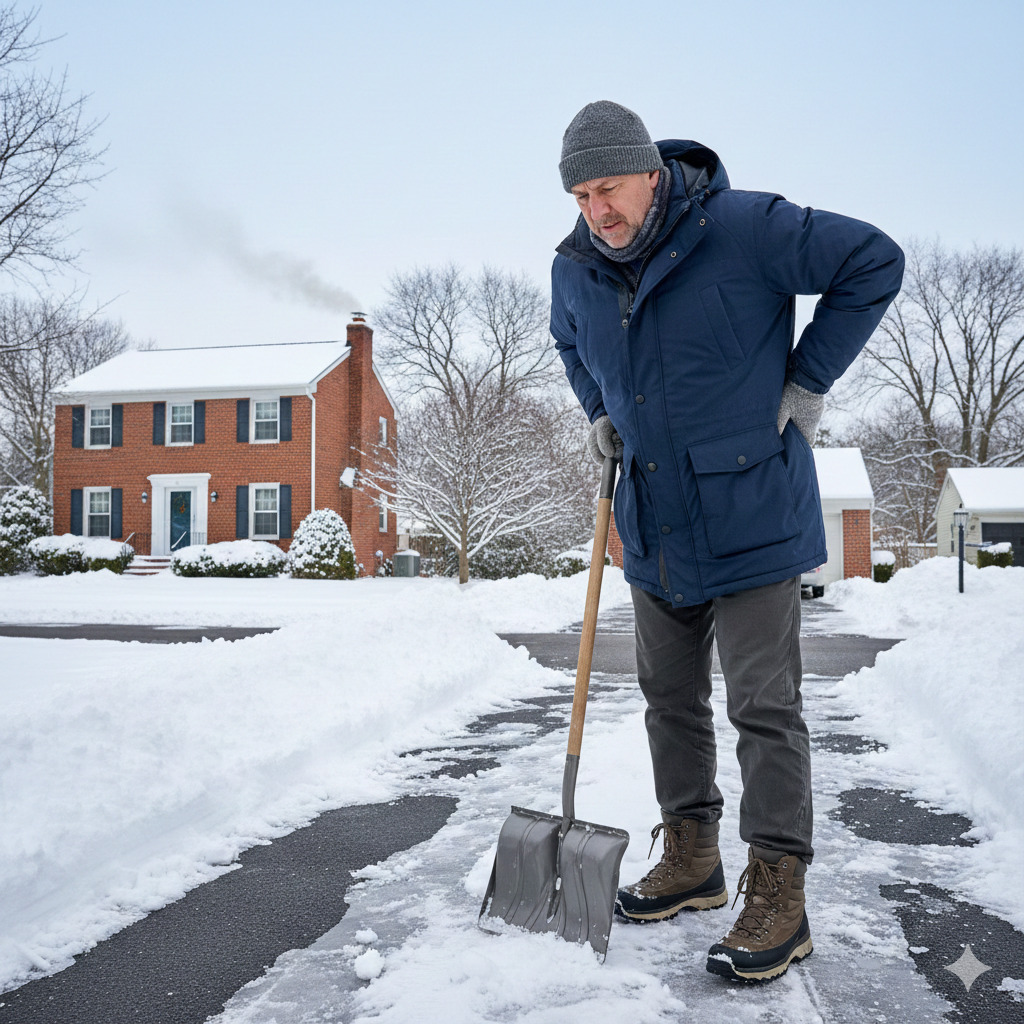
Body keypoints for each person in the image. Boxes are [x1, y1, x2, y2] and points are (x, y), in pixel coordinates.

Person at [550, 100, 904, 982]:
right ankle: (693, 858)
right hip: (654, 520)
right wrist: (598, 411)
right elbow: (568, 342)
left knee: (762, 707)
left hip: (752, 512)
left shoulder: (744, 227)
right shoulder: (575, 267)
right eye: (581, 196)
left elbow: (873, 259)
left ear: (651, 172)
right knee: (668, 700)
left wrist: (808, 379)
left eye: (609, 188)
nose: (598, 211)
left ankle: (780, 889)